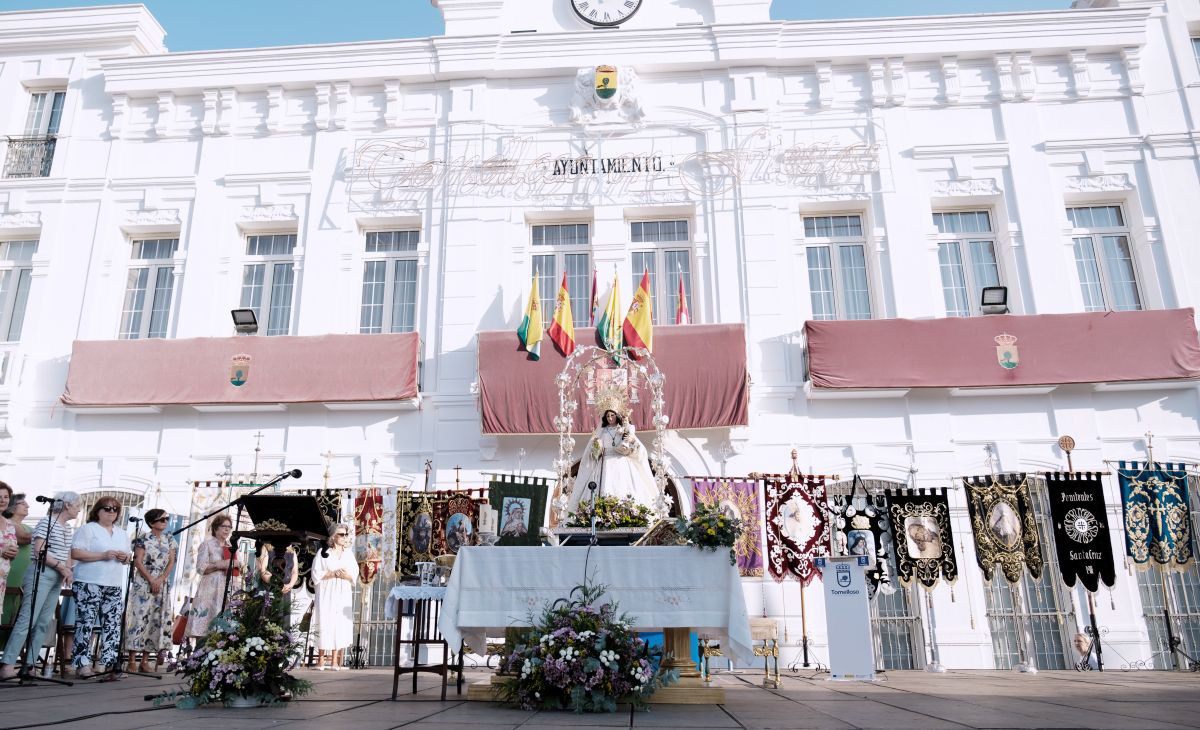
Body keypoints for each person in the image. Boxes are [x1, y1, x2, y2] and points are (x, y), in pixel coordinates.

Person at [0, 491, 81, 680]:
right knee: (28, 618)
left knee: (44, 621)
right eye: (77, 505)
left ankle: (30, 664)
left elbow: (66, 552)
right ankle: (8, 664)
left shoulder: (67, 528)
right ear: (67, 505)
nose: (79, 509)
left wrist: (67, 569)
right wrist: (62, 567)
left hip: (57, 575)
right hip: (42, 573)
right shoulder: (47, 522)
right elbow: (39, 550)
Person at [70, 497, 132, 679]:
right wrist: (102, 555)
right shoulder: (88, 529)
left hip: (113, 583)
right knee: (86, 623)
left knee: (112, 625)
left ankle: (110, 664)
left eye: (115, 509)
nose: (111, 511)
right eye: (107, 508)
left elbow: (128, 558)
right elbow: (75, 552)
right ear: (97, 510)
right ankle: (82, 664)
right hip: (89, 581)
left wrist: (124, 558)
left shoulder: (121, 533)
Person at [569, 409, 659, 516]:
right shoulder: (602, 431)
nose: (610, 418)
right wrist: (596, 447)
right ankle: (603, 514)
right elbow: (594, 452)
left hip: (622, 462)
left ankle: (628, 513)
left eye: (612, 415)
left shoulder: (625, 428)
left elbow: (639, 450)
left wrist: (631, 440)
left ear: (617, 415)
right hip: (605, 464)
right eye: (607, 416)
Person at [125, 508, 176, 673]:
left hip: (162, 583)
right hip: (144, 581)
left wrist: (160, 580)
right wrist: (151, 580)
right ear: (152, 522)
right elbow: (138, 562)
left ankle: (145, 659)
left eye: (166, 519)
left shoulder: (169, 539)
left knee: (156, 619)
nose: (165, 522)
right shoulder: (143, 539)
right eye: (162, 519)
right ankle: (132, 658)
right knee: (139, 619)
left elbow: (171, 562)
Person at [186, 514, 244, 639]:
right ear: (216, 528)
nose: (227, 529)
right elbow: (201, 568)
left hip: (227, 589)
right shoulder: (207, 545)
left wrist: (239, 565)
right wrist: (220, 564)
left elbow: (239, 567)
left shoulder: (232, 547)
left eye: (229, 527)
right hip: (210, 590)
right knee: (205, 625)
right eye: (224, 526)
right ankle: (199, 655)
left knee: (224, 627)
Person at [312, 523, 357, 671]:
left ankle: (335, 661)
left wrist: (345, 575)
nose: (345, 537)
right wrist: (332, 574)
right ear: (333, 536)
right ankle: (321, 660)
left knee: (339, 623)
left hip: (342, 591)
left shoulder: (348, 554)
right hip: (326, 590)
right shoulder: (323, 552)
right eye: (341, 534)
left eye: (346, 535)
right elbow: (316, 573)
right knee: (324, 621)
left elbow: (354, 574)